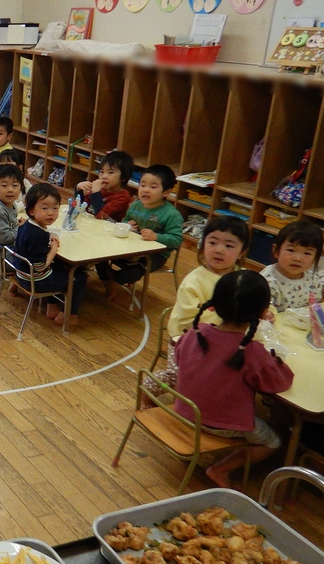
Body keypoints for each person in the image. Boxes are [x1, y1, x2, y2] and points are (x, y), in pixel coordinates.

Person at [174, 270, 293, 488]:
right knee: (274, 442)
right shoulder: (251, 350)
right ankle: (221, 468)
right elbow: (278, 384)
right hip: (220, 423)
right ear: (263, 313)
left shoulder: (194, 332)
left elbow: (180, 358)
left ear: (213, 306)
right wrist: (276, 360)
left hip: (184, 409)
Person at [148, 216, 250, 395]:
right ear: (203, 246)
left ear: (242, 251)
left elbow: (261, 300)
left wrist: (268, 313)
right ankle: (149, 388)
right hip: (185, 338)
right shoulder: (194, 281)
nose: (219, 250)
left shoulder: (244, 278)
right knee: (178, 375)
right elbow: (190, 319)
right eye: (212, 242)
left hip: (229, 338)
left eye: (229, 246)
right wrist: (234, 319)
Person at [96, 164, 183, 299]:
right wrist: (126, 225)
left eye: (153, 187)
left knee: (130, 273)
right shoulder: (136, 204)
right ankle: (108, 277)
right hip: (131, 247)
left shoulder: (171, 214)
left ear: (166, 192)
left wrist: (156, 237)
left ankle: (113, 278)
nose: (145, 190)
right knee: (99, 257)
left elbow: (176, 239)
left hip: (155, 255)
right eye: (142, 185)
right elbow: (125, 220)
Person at [9, 183, 88, 327]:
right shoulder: (38, 234)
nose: (51, 213)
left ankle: (52, 307)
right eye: (44, 208)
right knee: (80, 277)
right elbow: (40, 267)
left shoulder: (27, 224)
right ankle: (68, 315)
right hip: (35, 280)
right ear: (32, 210)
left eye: (55, 208)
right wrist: (53, 248)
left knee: (59, 266)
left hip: (22, 274)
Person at [260, 220, 324, 311]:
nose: (298, 258)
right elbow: (264, 313)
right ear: (276, 251)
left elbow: (315, 308)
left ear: (316, 257)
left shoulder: (313, 279)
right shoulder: (267, 280)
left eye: (307, 253)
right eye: (291, 250)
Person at [75, 150, 133, 222]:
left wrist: (96, 193)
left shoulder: (122, 197)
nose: (104, 176)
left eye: (111, 172)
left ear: (123, 177)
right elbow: (80, 207)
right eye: (102, 172)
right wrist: (79, 190)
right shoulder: (101, 189)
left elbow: (101, 215)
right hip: (89, 224)